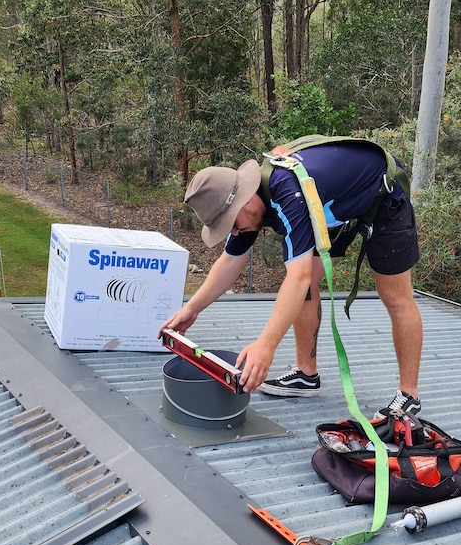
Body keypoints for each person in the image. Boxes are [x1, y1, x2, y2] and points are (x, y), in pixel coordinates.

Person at [160, 137, 423, 421]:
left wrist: (265, 346)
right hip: (330, 206)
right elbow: (230, 261)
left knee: (395, 297)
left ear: (245, 203)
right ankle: (306, 375)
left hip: (380, 193)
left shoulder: (288, 194)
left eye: (231, 225)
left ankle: (409, 396)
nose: (234, 233)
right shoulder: (251, 208)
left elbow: (296, 277)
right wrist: (192, 309)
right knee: (307, 286)